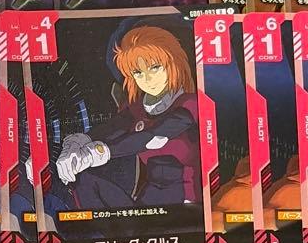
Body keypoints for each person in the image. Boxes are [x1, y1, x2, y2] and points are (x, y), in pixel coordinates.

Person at [53, 24, 200, 209]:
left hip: (186, 204)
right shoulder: (138, 106)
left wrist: (96, 153)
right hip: (148, 205)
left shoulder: (189, 103)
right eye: (138, 72)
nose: (147, 79)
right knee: (83, 178)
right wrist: (76, 143)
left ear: (174, 63)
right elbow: (112, 128)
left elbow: (153, 136)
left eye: (155, 67)